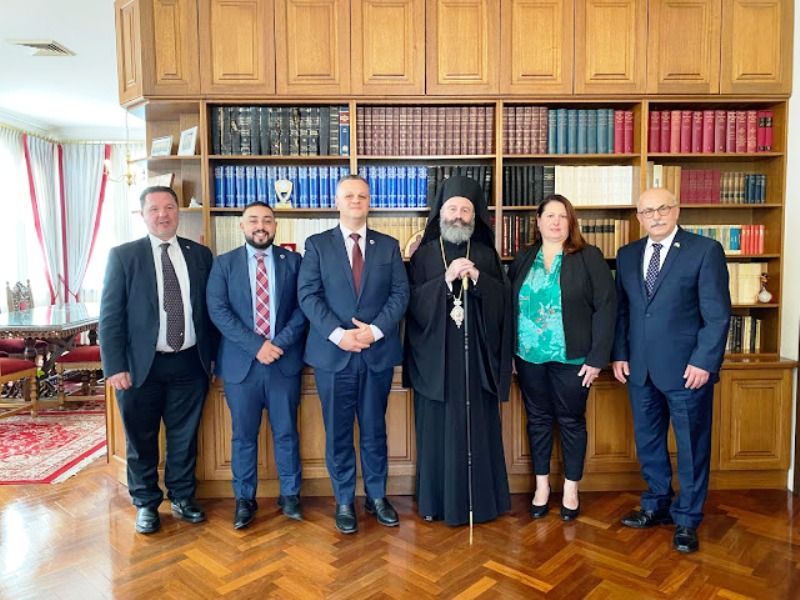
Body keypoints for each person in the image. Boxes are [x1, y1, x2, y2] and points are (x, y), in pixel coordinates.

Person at [612, 187, 730, 554]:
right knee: (648, 441)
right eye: (648, 211)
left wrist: (704, 361)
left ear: (676, 210)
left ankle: (687, 519)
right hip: (640, 368)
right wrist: (620, 354)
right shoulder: (628, 255)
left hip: (687, 371)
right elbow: (623, 311)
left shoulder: (704, 250)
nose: (656, 216)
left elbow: (717, 314)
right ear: (639, 217)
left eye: (663, 208)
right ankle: (657, 504)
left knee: (692, 447)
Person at [99, 186, 216, 535]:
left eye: (169, 207)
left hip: (190, 364)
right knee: (141, 439)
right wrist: (114, 366)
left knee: (184, 437)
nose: (162, 214)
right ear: (143, 215)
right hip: (138, 367)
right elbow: (110, 317)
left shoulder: (200, 255)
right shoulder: (124, 256)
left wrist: (213, 359)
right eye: (154, 209)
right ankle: (146, 503)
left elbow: (209, 311)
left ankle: (182, 497)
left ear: (179, 211)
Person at [297, 174, 409, 534]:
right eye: (349, 195)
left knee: (375, 430)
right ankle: (344, 500)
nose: (356, 200)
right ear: (337, 201)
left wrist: (373, 332)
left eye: (362, 195)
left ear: (369, 201)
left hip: (376, 354)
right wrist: (339, 335)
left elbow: (400, 295)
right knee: (338, 433)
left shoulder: (388, 246)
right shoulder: (317, 245)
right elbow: (308, 295)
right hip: (334, 356)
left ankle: (377, 497)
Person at [405, 175, 511, 526]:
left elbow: (503, 305)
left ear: (474, 216)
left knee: (478, 430)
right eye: (452, 209)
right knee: (436, 433)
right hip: (435, 362)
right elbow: (411, 304)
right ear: (440, 213)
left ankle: (483, 503)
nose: (458, 216)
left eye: (465, 210)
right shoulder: (423, 255)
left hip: (475, 361)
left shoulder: (485, 254)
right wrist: (445, 280)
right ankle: (435, 502)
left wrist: (479, 279)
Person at [507, 194, 616, 521]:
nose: (556, 222)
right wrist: (509, 351)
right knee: (538, 420)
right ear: (538, 222)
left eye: (562, 216)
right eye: (550, 216)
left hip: (574, 358)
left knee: (570, 421)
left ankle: (570, 489)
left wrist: (597, 358)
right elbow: (510, 305)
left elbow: (607, 307)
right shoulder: (525, 257)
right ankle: (541, 487)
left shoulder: (588, 257)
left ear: (571, 223)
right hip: (528, 357)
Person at [206, 202, 307, 529]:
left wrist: (278, 344)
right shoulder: (224, 264)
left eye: (267, 220)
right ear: (242, 226)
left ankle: (290, 495)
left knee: (287, 433)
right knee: (243, 437)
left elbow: (303, 308)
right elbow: (218, 311)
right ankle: (244, 499)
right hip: (242, 366)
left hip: (283, 363)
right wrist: (257, 346)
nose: (260, 226)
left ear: (275, 226)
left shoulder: (294, 262)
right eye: (253, 220)